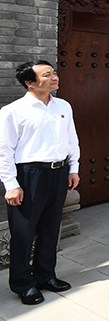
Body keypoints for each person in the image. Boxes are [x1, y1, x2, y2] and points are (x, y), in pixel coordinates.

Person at [0, 61, 80, 305]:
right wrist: (11, 184)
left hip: (58, 172)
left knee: (50, 227)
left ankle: (46, 275)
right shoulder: (13, 111)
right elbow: (5, 150)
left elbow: (72, 139)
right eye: (47, 75)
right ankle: (23, 283)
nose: (54, 77)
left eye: (54, 73)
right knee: (24, 232)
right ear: (30, 82)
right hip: (29, 175)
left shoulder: (63, 106)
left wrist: (73, 168)